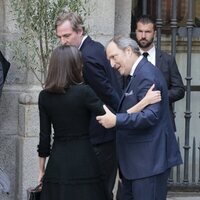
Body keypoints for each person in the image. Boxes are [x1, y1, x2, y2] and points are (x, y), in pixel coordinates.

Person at [96, 35, 183, 200]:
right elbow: (135, 110)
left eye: (114, 57)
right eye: (109, 59)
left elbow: (151, 116)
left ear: (128, 51)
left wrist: (116, 120)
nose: (112, 64)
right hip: (136, 165)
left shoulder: (147, 75)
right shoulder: (137, 74)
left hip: (148, 164)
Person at [54, 12, 123, 200]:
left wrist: (122, 119)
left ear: (80, 31)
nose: (63, 41)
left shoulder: (86, 57)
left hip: (100, 136)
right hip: (104, 135)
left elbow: (108, 93)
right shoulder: (95, 47)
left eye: (67, 36)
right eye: (59, 37)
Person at [37, 45, 109, 200]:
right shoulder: (84, 92)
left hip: (58, 163)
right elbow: (110, 117)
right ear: (75, 65)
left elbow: (44, 137)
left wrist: (41, 170)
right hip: (84, 161)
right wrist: (141, 105)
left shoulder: (44, 96)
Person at [135, 15, 185, 132]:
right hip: (136, 119)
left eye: (147, 32)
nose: (143, 36)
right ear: (136, 32)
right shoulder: (129, 58)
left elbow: (179, 90)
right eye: (140, 31)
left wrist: (157, 98)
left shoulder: (167, 60)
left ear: (154, 34)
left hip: (163, 121)